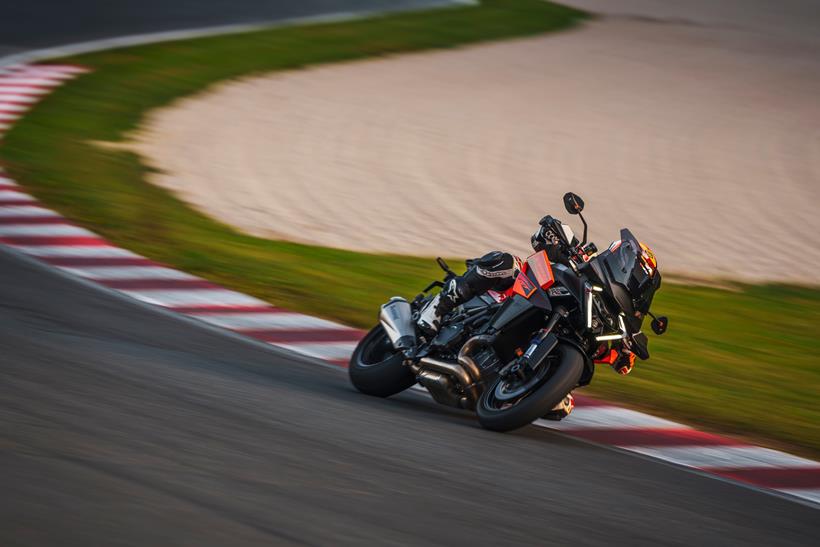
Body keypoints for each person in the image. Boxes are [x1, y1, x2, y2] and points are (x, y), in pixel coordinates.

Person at [417, 214, 637, 378]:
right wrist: (557, 234)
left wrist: (621, 354)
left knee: (561, 408)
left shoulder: (604, 314)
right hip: (521, 292)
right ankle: (439, 307)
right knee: (506, 262)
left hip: (542, 330)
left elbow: (602, 352)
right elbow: (540, 238)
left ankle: (524, 377)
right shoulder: (584, 258)